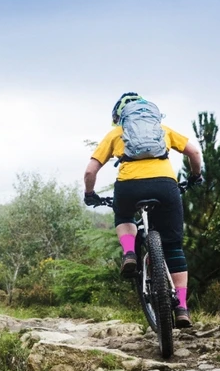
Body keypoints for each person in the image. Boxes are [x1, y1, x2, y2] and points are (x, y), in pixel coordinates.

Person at [83, 92, 203, 328]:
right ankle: (181, 307)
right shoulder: (163, 130)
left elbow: (90, 171)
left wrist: (89, 194)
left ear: (119, 116)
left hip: (129, 187)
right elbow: (195, 153)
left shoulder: (116, 133)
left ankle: (129, 253)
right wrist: (195, 176)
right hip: (165, 186)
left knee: (124, 215)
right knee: (173, 247)